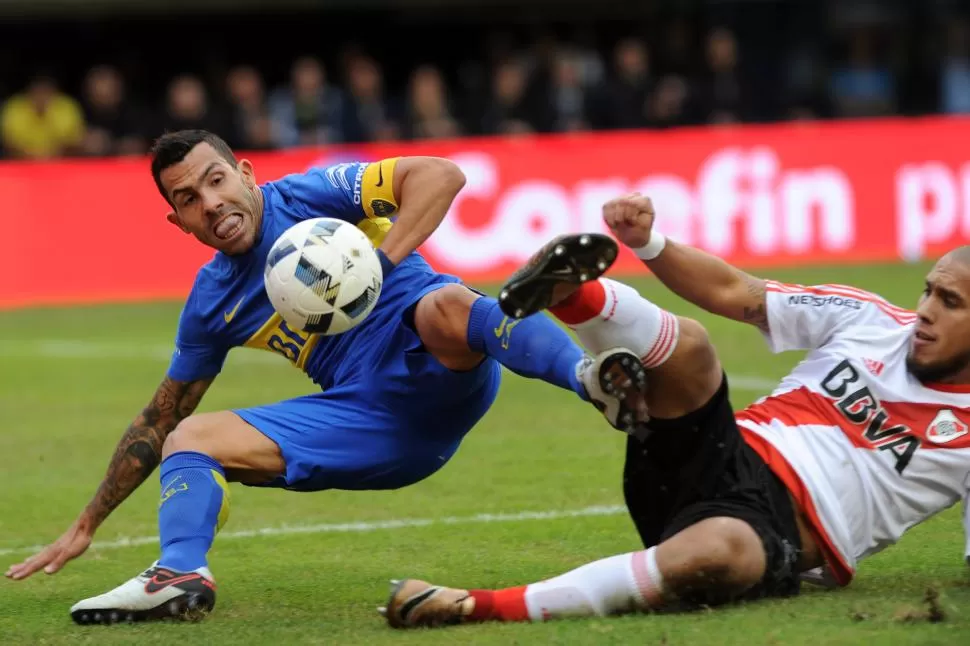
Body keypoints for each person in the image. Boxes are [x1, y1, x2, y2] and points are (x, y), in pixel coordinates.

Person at [3, 129, 640, 625]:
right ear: (179, 222)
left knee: (449, 304)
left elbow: (442, 176)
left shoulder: (309, 196)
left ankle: (592, 382)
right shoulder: (209, 304)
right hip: (366, 421)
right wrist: (88, 522)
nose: (212, 203)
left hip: (440, 361)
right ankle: (180, 577)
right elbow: (158, 416)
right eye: (189, 200)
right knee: (188, 438)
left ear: (246, 174)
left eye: (217, 180)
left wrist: (377, 267)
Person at [381, 192, 970, 628]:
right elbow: (737, 295)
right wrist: (648, 244)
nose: (924, 310)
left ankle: (474, 607)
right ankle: (576, 294)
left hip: (767, 536)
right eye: (927, 291)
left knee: (718, 554)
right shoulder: (870, 319)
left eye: (949, 302)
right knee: (691, 346)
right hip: (717, 453)